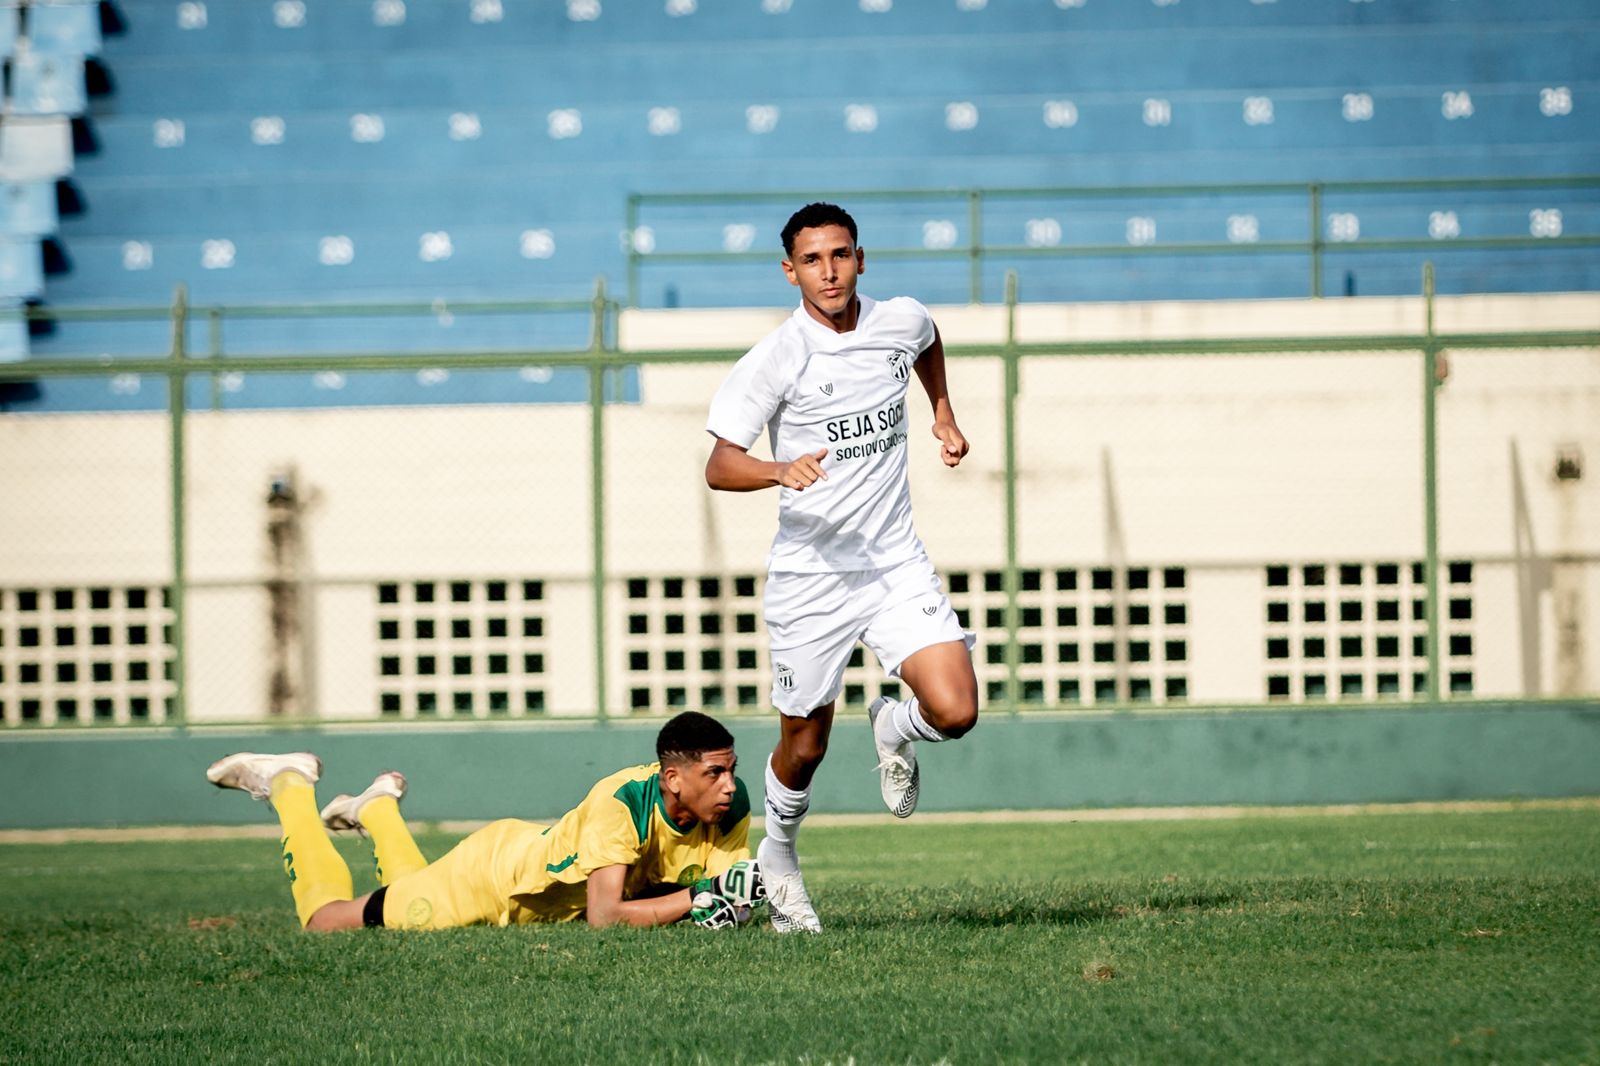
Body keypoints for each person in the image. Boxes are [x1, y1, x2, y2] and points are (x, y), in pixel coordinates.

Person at [704, 202, 979, 933]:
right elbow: (719, 464)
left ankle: (894, 725)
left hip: (893, 562)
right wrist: (776, 470)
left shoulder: (901, 319)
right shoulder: (776, 358)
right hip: (810, 578)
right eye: (813, 260)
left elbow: (927, 342)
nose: (829, 272)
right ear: (789, 270)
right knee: (807, 744)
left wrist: (942, 413)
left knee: (957, 710)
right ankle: (780, 859)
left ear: (862, 258)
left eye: (841, 255)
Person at [205, 710, 765, 931]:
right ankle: (289, 783)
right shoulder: (621, 803)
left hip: (518, 860)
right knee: (326, 922)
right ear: (672, 779)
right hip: (489, 880)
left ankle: (375, 808)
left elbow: (721, 891)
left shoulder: (729, 809)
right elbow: (605, 916)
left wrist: (727, 901)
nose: (728, 785)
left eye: (731, 771)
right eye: (715, 773)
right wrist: (699, 903)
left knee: (403, 889)